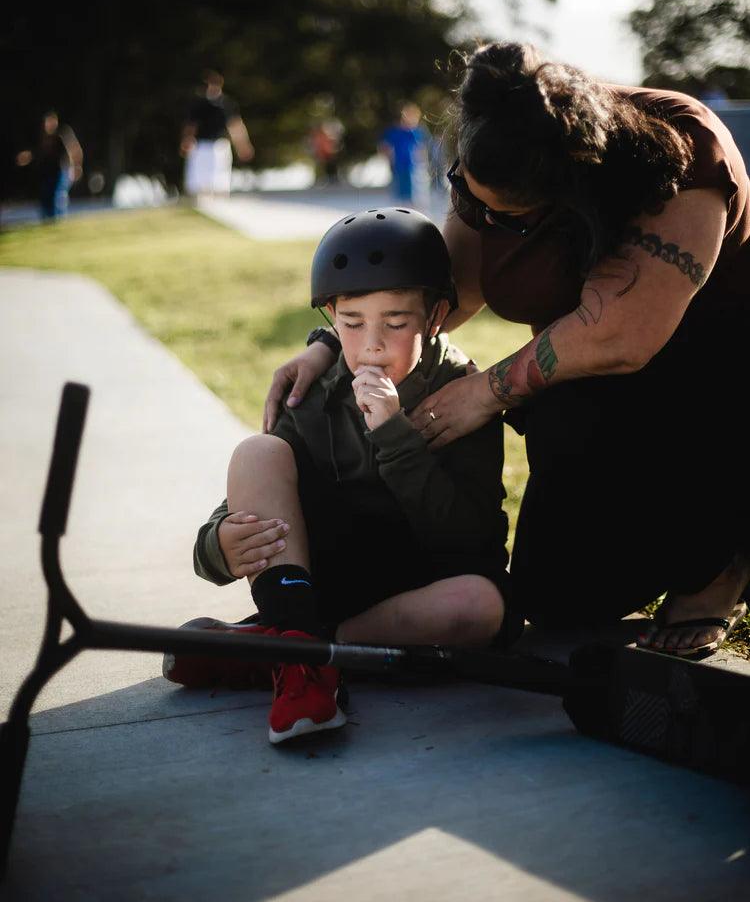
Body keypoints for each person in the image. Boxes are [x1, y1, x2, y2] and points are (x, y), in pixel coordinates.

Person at [265, 42, 750, 662]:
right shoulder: (493, 156)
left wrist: (483, 390)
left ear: (570, 189)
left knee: (589, 412)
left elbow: (623, 337)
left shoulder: (682, 151)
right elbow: (444, 297)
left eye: (512, 218)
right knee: (555, 603)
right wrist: (333, 344)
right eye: (473, 197)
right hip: (585, 393)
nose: (487, 221)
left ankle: (719, 566)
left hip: (708, 390)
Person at [164, 207, 513, 743]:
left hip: (413, 594)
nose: (371, 343)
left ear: (436, 316)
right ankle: (300, 656)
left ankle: (283, 652)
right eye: (351, 324)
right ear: (331, 318)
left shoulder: (462, 394)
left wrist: (395, 435)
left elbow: (470, 541)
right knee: (258, 452)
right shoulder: (316, 389)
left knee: (481, 606)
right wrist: (218, 545)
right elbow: (259, 494)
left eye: (396, 323)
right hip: (328, 581)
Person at [180, 70, 254, 196]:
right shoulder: (199, 105)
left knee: (220, 183)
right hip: (200, 146)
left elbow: (235, 126)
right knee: (200, 185)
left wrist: (243, 145)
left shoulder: (226, 105)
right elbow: (191, 126)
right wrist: (187, 140)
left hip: (219, 146)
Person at [15, 109, 83, 221]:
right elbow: (38, 153)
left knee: (57, 197)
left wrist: (77, 166)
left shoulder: (62, 135)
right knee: (46, 197)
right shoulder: (43, 138)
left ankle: (58, 220)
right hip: (49, 171)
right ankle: (47, 221)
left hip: (62, 171)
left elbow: (75, 151)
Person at [378, 102, 431, 203]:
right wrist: (388, 157)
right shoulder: (395, 131)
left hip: (414, 167)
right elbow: (384, 145)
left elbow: (423, 147)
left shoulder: (417, 131)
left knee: (416, 192)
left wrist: (422, 161)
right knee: (399, 192)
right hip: (398, 165)